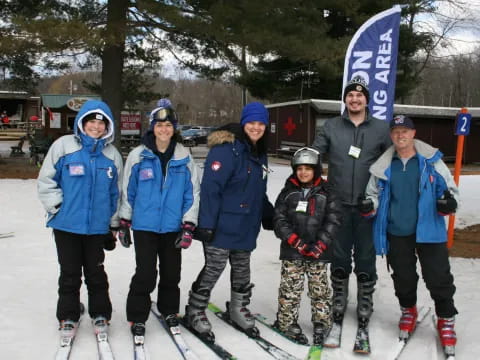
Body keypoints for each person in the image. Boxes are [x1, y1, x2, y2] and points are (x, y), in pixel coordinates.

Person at [364, 115, 459, 356]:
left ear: (413, 133)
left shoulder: (430, 161)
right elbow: (372, 193)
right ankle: (409, 310)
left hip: (430, 230)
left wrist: (448, 202)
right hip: (398, 230)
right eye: (395, 131)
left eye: (405, 130)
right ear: (391, 135)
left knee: (438, 277)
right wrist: (369, 204)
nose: (400, 135)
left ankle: (446, 319)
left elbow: (450, 190)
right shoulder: (385, 165)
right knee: (403, 277)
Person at [184, 102, 274, 341]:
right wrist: (206, 224)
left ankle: (238, 307)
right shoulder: (227, 149)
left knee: (242, 268)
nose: (256, 128)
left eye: (261, 123)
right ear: (244, 124)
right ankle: (195, 309)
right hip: (222, 223)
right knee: (214, 267)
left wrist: (268, 213)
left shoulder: (259, 152)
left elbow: (258, 190)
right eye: (252, 123)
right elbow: (211, 189)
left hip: (246, 224)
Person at [311, 75, 391, 336]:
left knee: (366, 256)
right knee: (340, 254)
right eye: (350, 95)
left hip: (368, 206)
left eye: (359, 95)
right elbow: (314, 155)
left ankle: (365, 301)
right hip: (338, 205)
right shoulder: (332, 126)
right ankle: (339, 298)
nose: (354, 99)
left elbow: (391, 162)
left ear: (366, 100)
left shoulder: (380, 128)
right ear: (345, 99)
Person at [37, 100, 123, 336]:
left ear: (108, 127)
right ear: (82, 123)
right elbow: (46, 181)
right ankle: (68, 315)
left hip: (97, 228)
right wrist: (57, 207)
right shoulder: (63, 146)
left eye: (101, 123)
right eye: (92, 122)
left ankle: (101, 314)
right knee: (70, 273)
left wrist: (113, 222)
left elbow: (116, 192)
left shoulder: (112, 155)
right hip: (67, 225)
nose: (96, 127)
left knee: (96, 274)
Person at [118, 98, 200, 338]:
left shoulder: (184, 157)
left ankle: (169, 310)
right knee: (145, 272)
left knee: (171, 273)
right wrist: (124, 221)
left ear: (174, 128)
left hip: (173, 226)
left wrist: (188, 225)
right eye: (159, 125)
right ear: (152, 127)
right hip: (145, 226)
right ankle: (137, 316)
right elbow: (128, 191)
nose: (164, 129)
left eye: (168, 125)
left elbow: (192, 193)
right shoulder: (138, 155)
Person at [272, 147, 342, 345]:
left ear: (316, 170)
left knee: (319, 290)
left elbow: (334, 220)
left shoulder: (328, 193)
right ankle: (287, 322)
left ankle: (321, 323)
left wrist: (320, 245)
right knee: (290, 290)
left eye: (308, 169)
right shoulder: (287, 193)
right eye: (300, 168)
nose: (303, 172)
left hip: (318, 253)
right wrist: (294, 241)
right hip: (292, 252)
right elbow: (279, 220)